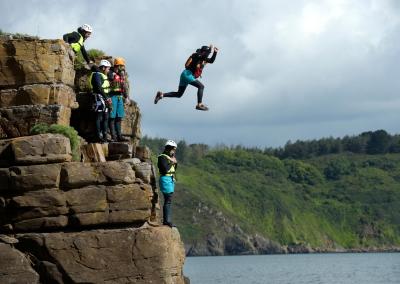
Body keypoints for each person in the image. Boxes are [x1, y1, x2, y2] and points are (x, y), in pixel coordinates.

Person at [154, 45, 219, 111]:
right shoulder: (196, 55)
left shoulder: (202, 58)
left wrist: (215, 52)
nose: (208, 55)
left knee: (179, 94)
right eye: (207, 53)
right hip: (188, 74)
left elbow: (211, 61)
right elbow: (203, 56)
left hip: (185, 75)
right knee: (201, 86)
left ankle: (161, 95)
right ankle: (199, 104)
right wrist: (210, 49)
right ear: (204, 52)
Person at [89, 59, 112, 143]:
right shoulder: (97, 75)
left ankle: (105, 136)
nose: (109, 70)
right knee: (98, 117)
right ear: (103, 68)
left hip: (105, 98)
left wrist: (108, 98)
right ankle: (98, 136)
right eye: (108, 68)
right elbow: (98, 88)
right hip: (98, 98)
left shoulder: (103, 75)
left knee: (106, 117)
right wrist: (106, 98)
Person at [108, 57, 130, 142]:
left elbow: (123, 86)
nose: (121, 68)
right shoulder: (110, 73)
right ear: (116, 65)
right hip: (112, 96)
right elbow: (110, 81)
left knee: (119, 117)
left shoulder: (121, 75)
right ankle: (113, 136)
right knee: (112, 117)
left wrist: (126, 97)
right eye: (120, 66)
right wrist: (115, 76)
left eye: (122, 67)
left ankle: (119, 136)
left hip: (120, 97)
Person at [157, 140, 178, 227]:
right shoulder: (162, 157)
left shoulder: (169, 157)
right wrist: (172, 162)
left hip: (170, 179)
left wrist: (174, 162)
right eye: (173, 149)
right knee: (168, 200)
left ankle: (167, 220)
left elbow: (173, 168)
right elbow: (165, 169)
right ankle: (167, 220)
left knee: (169, 200)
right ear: (170, 148)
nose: (174, 151)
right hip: (165, 179)